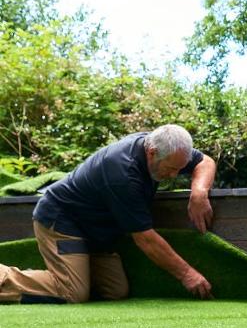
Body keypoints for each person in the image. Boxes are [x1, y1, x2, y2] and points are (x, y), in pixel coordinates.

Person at [0, 124, 216, 304]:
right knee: (73, 293)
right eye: (171, 169)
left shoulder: (166, 147)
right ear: (151, 153)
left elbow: (205, 161)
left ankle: (75, 274)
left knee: (115, 290)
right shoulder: (123, 173)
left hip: (95, 232)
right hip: (63, 219)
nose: (175, 175)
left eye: (180, 169)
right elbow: (145, 239)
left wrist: (198, 192)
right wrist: (187, 274)